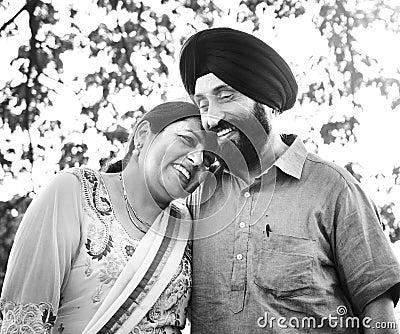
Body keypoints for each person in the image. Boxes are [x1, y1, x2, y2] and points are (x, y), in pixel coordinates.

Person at [179, 27, 400, 333]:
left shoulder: (333, 188)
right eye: (202, 104)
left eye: (225, 96)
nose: (211, 118)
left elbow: (378, 313)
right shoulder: (198, 194)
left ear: (268, 101)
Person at [0, 101, 217, 334]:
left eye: (206, 160)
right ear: (143, 134)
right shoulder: (74, 192)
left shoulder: (189, 229)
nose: (197, 161)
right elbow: (24, 322)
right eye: (187, 140)